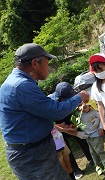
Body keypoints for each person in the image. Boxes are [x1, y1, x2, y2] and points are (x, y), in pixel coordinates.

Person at [0, 43, 89, 180]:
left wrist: (56, 127)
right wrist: (79, 97)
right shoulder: (21, 86)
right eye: (47, 62)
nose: (49, 67)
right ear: (35, 63)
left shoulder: (15, 82)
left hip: (33, 151)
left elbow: (25, 121)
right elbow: (56, 112)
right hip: (32, 155)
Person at [49, 82, 94, 180]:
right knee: (66, 148)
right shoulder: (51, 103)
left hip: (69, 118)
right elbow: (51, 124)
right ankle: (75, 169)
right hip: (58, 125)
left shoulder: (72, 95)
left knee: (81, 138)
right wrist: (64, 128)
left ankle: (91, 158)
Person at [76, 101, 105, 176]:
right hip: (87, 136)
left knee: (99, 151)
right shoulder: (80, 115)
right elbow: (78, 123)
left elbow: (101, 119)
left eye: (86, 107)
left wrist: (101, 128)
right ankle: (97, 166)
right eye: (83, 108)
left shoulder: (94, 112)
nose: (85, 109)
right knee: (92, 152)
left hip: (96, 134)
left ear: (90, 105)